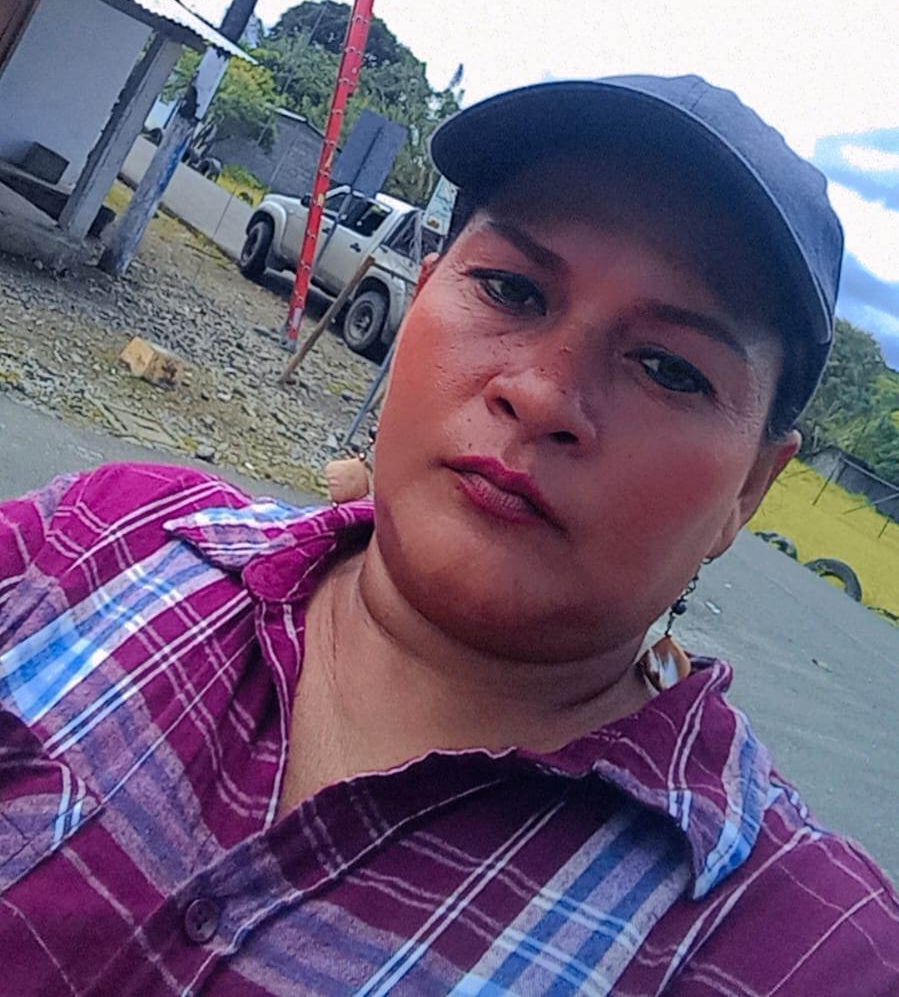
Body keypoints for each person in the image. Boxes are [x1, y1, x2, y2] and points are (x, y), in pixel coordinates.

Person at [1, 72, 898, 995]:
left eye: (668, 368)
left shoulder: (798, 948)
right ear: (422, 294)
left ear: (747, 488)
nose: (541, 394)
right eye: (510, 289)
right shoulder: (101, 538)